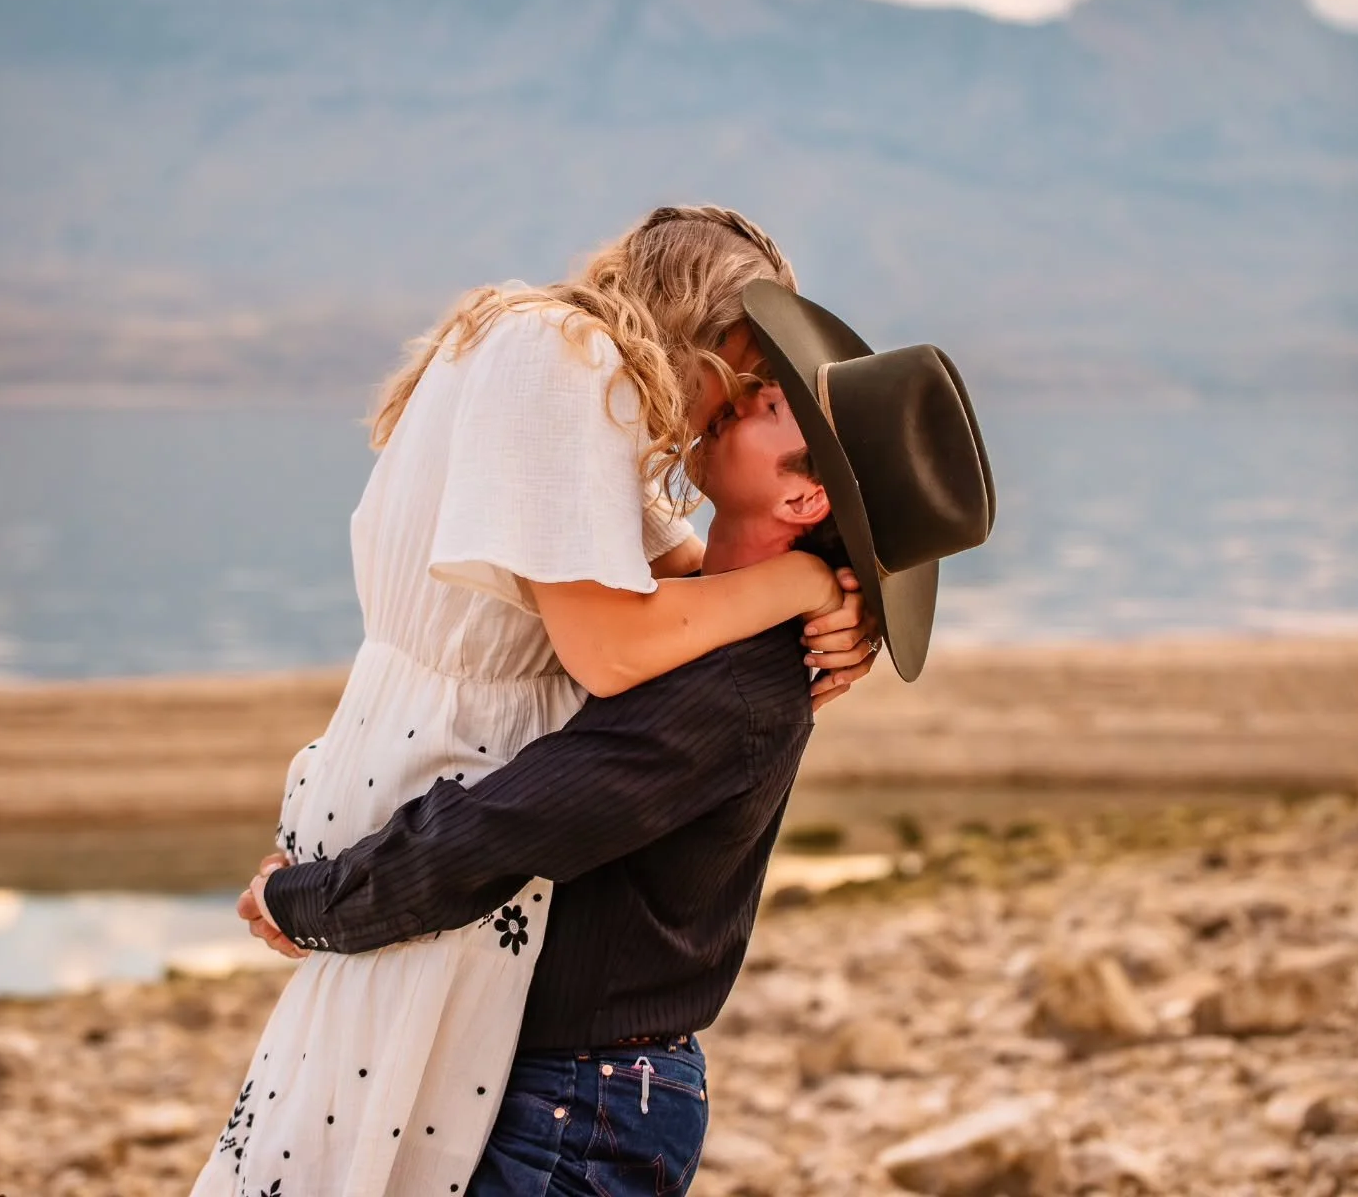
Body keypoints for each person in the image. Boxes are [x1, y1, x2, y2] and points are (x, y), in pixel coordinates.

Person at [242, 283, 996, 1197]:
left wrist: (304, 902)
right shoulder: (692, 629)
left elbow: (500, 832)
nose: (749, 390)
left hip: (579, 1110)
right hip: (570, 1095)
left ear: (802, 495)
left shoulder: (733, 687)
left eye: (781, 406)